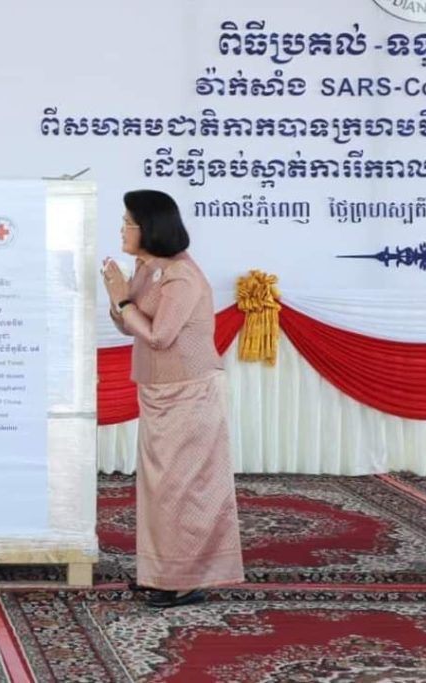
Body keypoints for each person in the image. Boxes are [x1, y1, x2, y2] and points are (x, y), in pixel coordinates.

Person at [101, 189, 244, 609]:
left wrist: (122, 297)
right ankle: (162, 574)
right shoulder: (149, 268)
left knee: (181, 489)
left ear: (148, 228)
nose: (121, 230)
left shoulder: (181, 276)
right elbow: (131, 325)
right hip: (159, 391)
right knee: (160, 489)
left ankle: (184, 581)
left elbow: (160, 336)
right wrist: (117, 296)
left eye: (127, 223)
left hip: (189, 393)